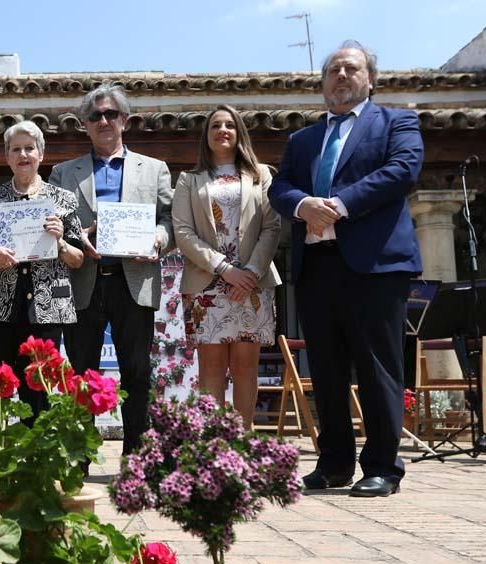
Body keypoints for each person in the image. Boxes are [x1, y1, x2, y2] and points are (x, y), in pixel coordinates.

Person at [269, 40, 424, 498]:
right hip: (317, 266)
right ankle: (334, 463)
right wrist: (303, 205)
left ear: (370, 79)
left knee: (377, 368)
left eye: (351, 68)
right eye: (333, 70)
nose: (341, 75)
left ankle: (382, 466)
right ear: (322, 85)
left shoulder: (397, 122)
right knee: (328, 369)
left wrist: (338, 205)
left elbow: (403, 170)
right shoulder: (303, 140)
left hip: (374, 267)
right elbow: (280, 188)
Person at [49, 83, 174, 455]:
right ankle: (81, 456)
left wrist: (157, 240)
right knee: (82, 374)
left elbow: (170, 220)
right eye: (95, 116)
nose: (103, 120)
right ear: (84, 125)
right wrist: (79, 235)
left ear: (125, 121)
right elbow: (52, 221)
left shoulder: (154, 170)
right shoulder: (63, 172)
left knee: (136, 374)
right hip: (82, 281)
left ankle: (136, 456)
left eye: (110, 114)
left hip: (132, 281)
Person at [173, 105, 281, 429]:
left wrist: (248, 272)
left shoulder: (262, 175)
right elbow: (182, 232)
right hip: (207, 285)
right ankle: (213, 445)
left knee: (247, 367)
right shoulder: (189, 181)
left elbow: (272, 227)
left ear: (239, 133)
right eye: (215, 125)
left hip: (252, 283)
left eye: (229, 125)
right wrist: (224, 269)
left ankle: (243, 441)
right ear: (205, 137)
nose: (222, 130)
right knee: (211, 368)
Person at [0, 121, 84, 415]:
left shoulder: (63, 200)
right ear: (7, 157)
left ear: (41, 154)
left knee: (39, 388)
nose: (23, 154)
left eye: (29, 148)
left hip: (45, 309)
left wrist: (60, 245)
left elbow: (78, 259)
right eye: (15, 149)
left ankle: (37, 459)